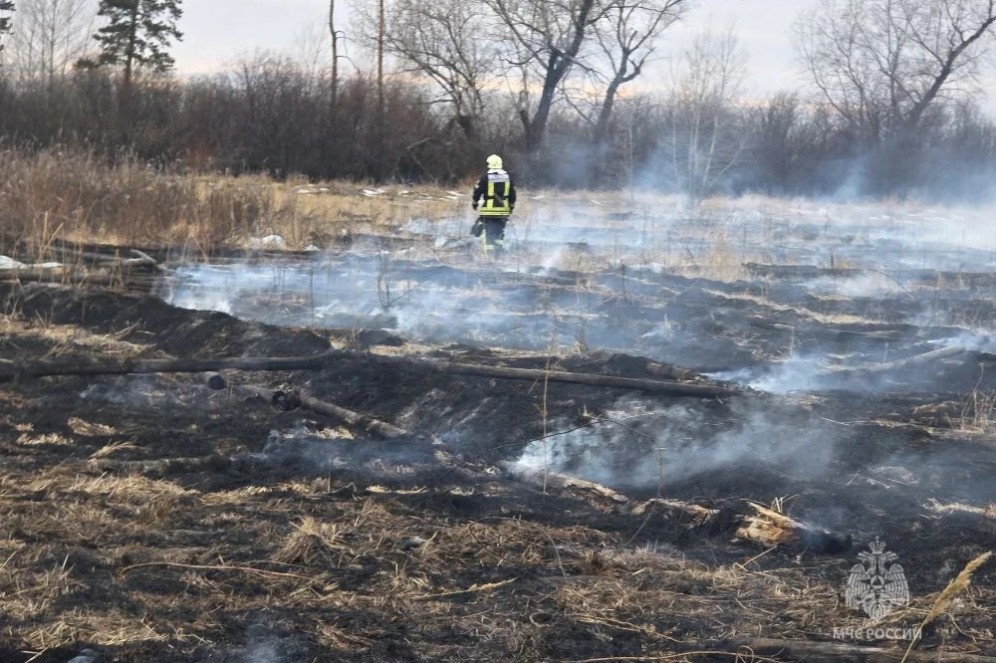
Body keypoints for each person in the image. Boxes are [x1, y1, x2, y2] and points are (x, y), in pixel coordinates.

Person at [471, 153, 516, 256]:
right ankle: (498, 253)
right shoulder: (508, 177)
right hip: (503, 211)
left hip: (489, 211)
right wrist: (511, 208)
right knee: (499, 232)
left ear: (489, 164)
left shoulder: (485, 178)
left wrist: (475, 203)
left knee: (488, 234)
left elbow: (477, 191)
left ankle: (489, 256)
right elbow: (513, 195)